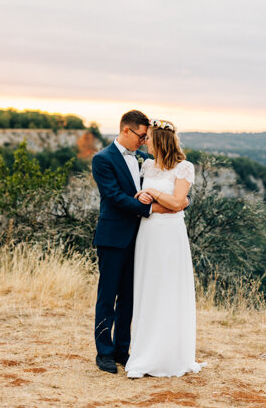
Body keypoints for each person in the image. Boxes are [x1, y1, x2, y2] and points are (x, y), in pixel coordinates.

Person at [91, 110, 174, 374]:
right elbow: (114, 196)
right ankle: (103, 352)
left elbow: (156, 188)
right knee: (107, 296)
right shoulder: (102, 159)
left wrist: (178, 202)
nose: (144, 141)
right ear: (126, 130)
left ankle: (121, 350)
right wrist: (150, 210)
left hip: (138, 239)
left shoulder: (142, 160)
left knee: (128, 298)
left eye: (146, 137)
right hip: (112, 238)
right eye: (141, 135)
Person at [123, 118, 203, 378]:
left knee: (169, 288)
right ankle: (145, 353)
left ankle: (170, 355)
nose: (144, 142)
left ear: (160, 140)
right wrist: (141, 196)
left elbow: (179, 202)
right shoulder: (146, 165)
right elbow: (138, 196)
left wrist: (155, 194)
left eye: (149, 138)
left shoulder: (184, 167)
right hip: (148, 233)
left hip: (170, 233)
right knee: (149, 289)